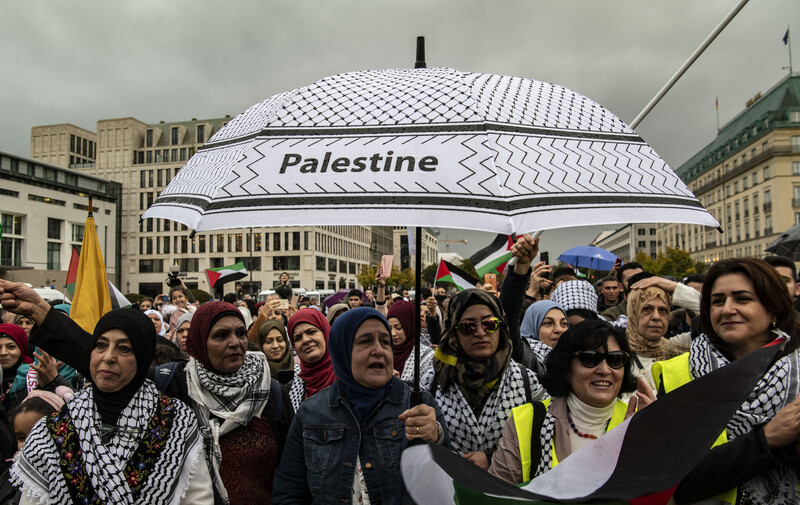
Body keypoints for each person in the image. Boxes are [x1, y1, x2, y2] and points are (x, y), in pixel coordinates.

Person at [0, 282, 292, 505]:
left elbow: (291, 474)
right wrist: (41, 311)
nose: (235, 343)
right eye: (220, 335)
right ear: (200, 341)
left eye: (241, 333)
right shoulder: (176, 384)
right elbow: (111, 368)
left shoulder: (271, 391)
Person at [9, 307, 212, 504]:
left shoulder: (176, 421)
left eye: (123, 348)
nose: (108, 357)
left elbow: (197, 497)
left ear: (141, 357)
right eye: (101, 345)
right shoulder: (53, 429)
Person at [651, 258, 800, 504]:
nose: (727, 309)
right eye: (718, 301)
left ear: (773, 308)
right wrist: (765, 440)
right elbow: (670, 482)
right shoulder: (678, 375)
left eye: (742, 299)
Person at [272, 307, 449, 505]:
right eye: (365, 342)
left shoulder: (419, 405)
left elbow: (446, 483)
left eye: (385, 341)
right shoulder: (310, 413)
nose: (378, 350)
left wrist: (436, 437)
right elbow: (288, 491)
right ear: (342, 350)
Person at [490, 320, 651, 483]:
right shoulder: (527, 420)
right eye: (589, 358)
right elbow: (498, 495)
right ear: (566, 368)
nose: (604, 370)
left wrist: (653, 442)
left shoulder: (639, 422)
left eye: (615, 360)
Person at [421, 288, 546, 469]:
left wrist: (493, 458)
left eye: (490, 325)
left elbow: (546, 437)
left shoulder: (528, 382)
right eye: (467, 327)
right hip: (448, 490)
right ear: (453, 332)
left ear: (500, 327)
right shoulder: (432, 382)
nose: (480, 333)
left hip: (509, 492)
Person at [286, 309, 337, 412]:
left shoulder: (349, 376)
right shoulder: (294, 388)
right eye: (298, 338)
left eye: (311, 332)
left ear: (325, 332)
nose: (305, 340)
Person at [387, 300, 434, 384]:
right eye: (389, 328)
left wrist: (400, 385)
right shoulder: (382, 352)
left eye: (398, 328)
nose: (393, 333)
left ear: (411, 326)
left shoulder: (426, 357)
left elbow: (426, 393)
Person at [257, 319, 297, 385]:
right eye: (268, 342)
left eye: (280, 340)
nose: (275, 346)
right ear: (261, 345)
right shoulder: (256, 373)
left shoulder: (299, 369)